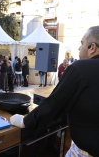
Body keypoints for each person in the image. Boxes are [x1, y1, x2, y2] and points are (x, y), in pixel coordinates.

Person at [10, 26, 99, 156]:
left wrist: (25, 121)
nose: (79, 48)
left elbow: (53, 104)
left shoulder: (79, 68)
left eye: (82, 44)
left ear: (92, 47)